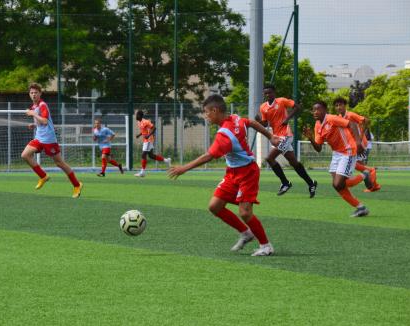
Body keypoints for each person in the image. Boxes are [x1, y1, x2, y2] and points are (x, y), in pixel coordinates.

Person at [168, 95, 281, 256]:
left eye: (206, 113)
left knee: (245, 212)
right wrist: (270, 136)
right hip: (232, 173)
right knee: (215, 207)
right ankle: (246, 233)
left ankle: (266, 246)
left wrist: (184, 168)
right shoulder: (235, 119)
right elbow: (251, 122)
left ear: (215, 110)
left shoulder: (224, 135)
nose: (206, 116)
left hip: (247, 173)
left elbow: (208, 156)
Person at [303, 101, 372, 217]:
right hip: (337, 154)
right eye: (313, 110)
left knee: (338, 184)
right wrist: (310, 138)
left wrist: (358, 142)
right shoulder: (317, 125)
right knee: (339, 185)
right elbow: (318, 148)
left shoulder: (331, 118)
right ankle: (361, 208)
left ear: (325, 110)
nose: (315, 112)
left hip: (348, 150)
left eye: (318, 109)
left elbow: (352, 124)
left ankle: (364, 175)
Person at [21, 83, 83, 198]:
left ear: (40, 93)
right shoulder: (34, 107)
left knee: (59, 163)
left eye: (36, 92)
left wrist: (33, 114)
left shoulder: (42, 105)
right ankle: (43, 176)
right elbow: (41, 123)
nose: (33, 95)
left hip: (49, 139)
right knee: (25, 155)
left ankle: (77, 184)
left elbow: (45, 121)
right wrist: (34, 125)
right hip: (39, 138)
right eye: (31, 93)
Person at [257, 84, 317, 197]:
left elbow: (298, 107)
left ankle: (285, 183)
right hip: (277, 137)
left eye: (270, 92)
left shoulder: (281, 101)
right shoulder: (263, 107)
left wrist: (287, 119)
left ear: (274, 93)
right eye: (265, 93)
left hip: (286, 135)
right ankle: (311, 183)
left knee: (269, 158)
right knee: (294, 163)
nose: (268, 95)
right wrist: (258, 122)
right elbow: (265, 123)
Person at [334, 97, 380, 192]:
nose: (339, 107)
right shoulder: (339, 117)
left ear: (345, 105)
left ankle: (372, 179)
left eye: (340, 105)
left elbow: (366, 120)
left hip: (359, 144)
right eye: (336, 105)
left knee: (355, 164)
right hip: (352, 145)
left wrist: (361, 136)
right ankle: (372, 181)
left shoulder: (350, 115)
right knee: (355, 164)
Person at [134, 110, 171, 177]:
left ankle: (142, 172)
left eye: (136, 114)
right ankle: (166, 160)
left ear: (139, 115)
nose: (135, 116)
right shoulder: (139, 122)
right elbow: (143, 131)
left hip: (149, 139)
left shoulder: (146, 121)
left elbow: (154, 128)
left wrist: (148, 135)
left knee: (143, 154)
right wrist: (139, 135)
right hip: (145, 140)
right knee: (151, 155)